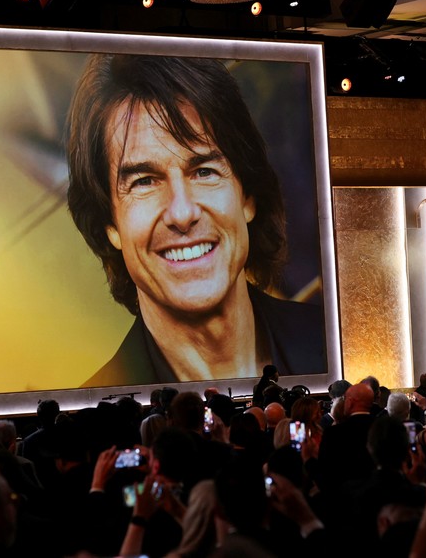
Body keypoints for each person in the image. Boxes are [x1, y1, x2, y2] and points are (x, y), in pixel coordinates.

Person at [66, 54, 326, 386]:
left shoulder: (338, 345)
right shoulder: (96, 423)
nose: (182, 212)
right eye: (144, 181)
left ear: (247, 197)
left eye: (204, 171)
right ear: (110, 225)